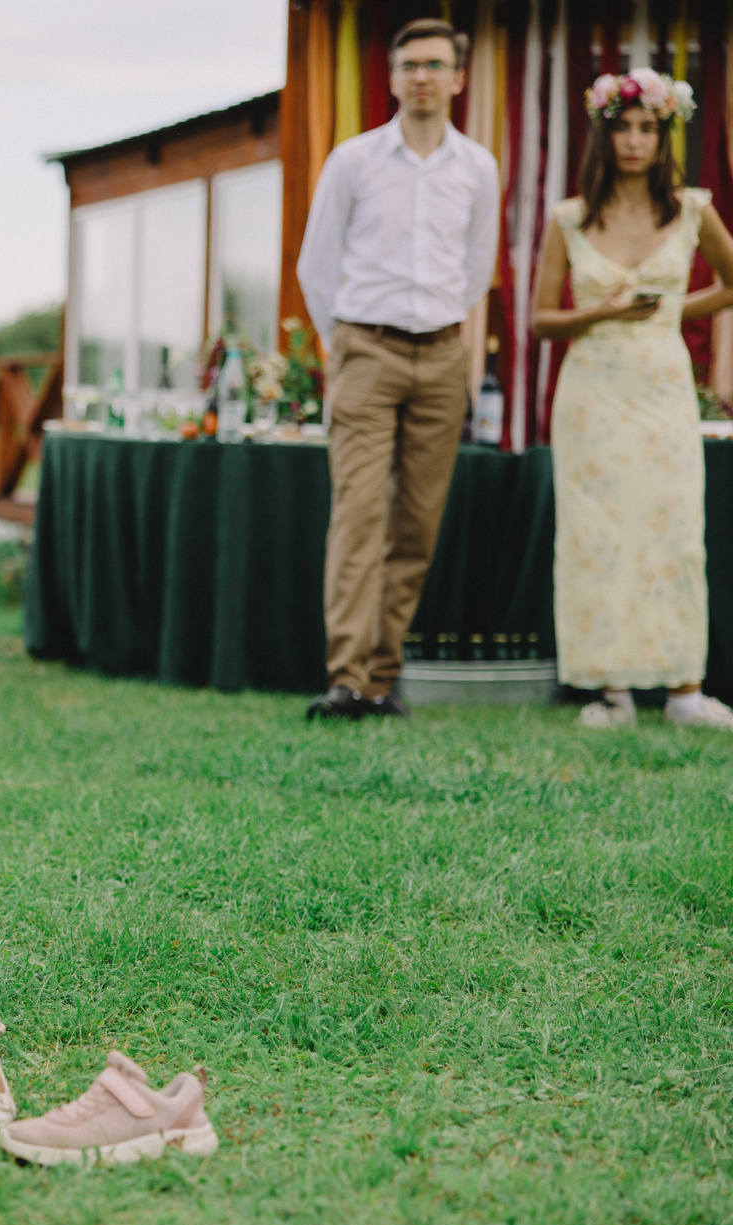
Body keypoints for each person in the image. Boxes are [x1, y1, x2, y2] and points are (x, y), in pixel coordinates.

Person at [296, 18, 500, 720]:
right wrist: (346, 345)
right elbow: (316, 266)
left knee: (416, 525)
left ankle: (382, 680)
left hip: (442, 356)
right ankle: (346, 679)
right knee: (358, 514)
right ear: (391, 77)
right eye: (410, 65)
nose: (422, 77)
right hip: (366, 349)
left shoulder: (478, 168)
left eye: (435, 65)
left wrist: (441, 332)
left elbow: (476, 268)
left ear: (458, 78)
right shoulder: (352, 161)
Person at [531, 71, 733, 730]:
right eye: (622, 128)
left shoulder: (692, 210)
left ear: (664, 135)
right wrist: (604, 312)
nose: (635, 141)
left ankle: (685, 691)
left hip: (662, 388)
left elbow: (730, 282)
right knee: (597, 534)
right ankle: (610, 690)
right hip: (592, 392)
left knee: (675, 530)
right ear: (603, 135)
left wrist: (672, 311)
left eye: (648, 128)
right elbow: (540, 320)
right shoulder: (569, 218)